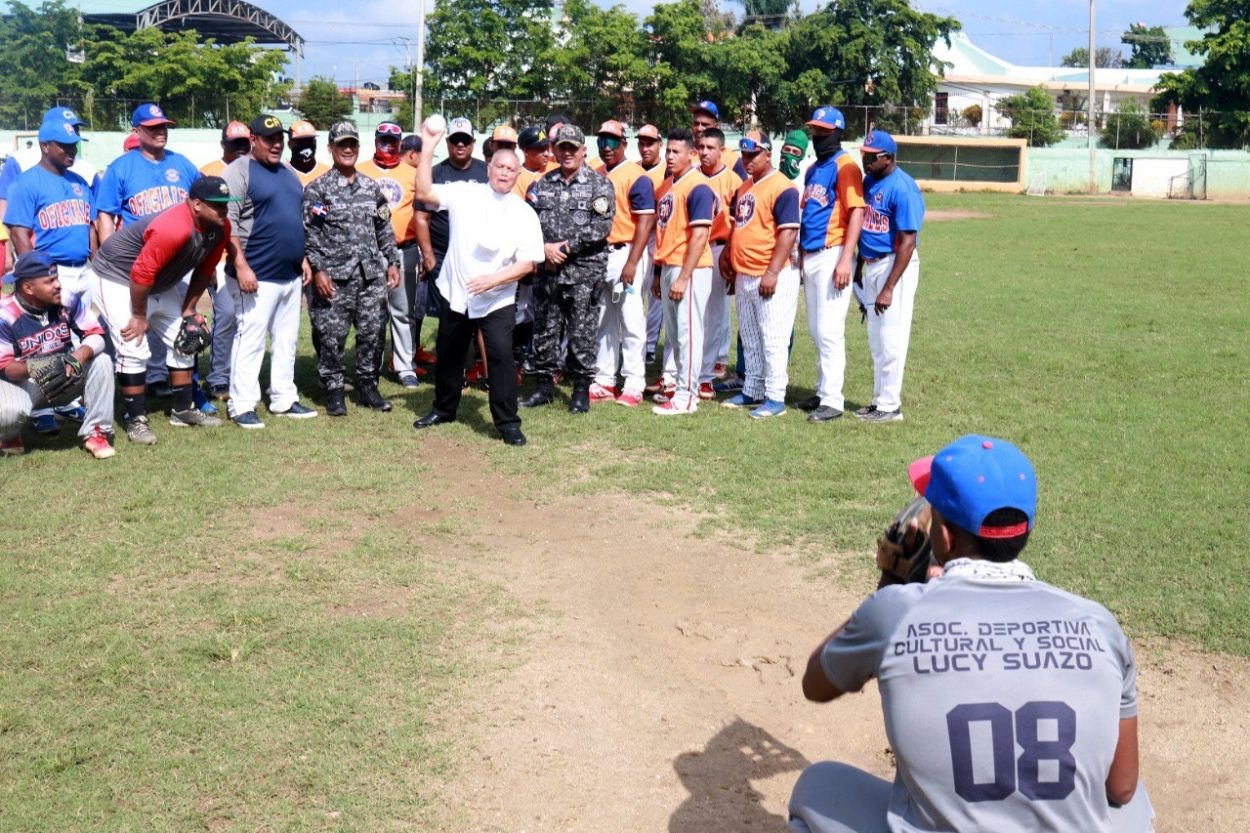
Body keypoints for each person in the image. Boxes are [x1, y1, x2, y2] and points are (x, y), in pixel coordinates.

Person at [789, 434, 1156, 833]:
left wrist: (890, 583)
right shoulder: (1098, 624)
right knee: (1135, 807)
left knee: (818, 785)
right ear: (1024, 529)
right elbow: (1120, 788)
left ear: (943, 538)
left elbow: (816, 684)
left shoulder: (897, 611)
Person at [410, 120, 543, 447]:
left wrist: (492, 281)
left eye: (511, 169)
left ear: (517, 175)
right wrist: (428, 145)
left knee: (500, 358)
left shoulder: (524, 213)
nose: (504, 173)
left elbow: (529, 262)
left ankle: (508, 422)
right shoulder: (465, 194)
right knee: (450, 354)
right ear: (489, 168)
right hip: (457, 292)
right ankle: (444, 408)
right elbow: (425, 192)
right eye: (499, 166)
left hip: (496, 299)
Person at [88, 177, 238, 443]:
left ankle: (182, 410)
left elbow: (204, 271)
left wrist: (189, 308)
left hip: (156, 280)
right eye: (217, 205)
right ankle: (135, 419)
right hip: (116, 276)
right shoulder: (174, 227)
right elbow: (140, 272)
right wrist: (139, 316)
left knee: (186, 337)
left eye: (226, 204)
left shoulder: (220, 228)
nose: (223, 210)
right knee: (133, 344)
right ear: (196, 204)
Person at [94, 103, 206, 404]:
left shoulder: (182, 164)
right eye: (153, 127)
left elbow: (204, 204)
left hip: (174, 264)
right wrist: (109, 251)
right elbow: (106, 214)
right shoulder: (122, 167)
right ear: (136, 131)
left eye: (163, 126)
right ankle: (137, 404)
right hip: (134, 263)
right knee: (135, 335)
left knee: (183, 332)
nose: (160, 132)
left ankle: (185, 397)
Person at [2, 108, 97, 435]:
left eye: (73, 144)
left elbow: (91, 227)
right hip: (50, 275)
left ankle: (70, 401)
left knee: (78, 336)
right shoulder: (27, 183)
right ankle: (42, 408)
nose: (70, 150)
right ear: (45, 145)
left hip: (84, 269)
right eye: (63, 145)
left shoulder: (79, 182)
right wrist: (34, 279)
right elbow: (18, 233)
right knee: (43, 342)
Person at [221, 113, 318, 428]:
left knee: (287, 339)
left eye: (279, 140)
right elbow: (228, 224)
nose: (276, 145)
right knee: (251, 339)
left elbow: (293, 220)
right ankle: (241, 404)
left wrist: (302, 258)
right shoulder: (238, 171)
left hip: (289, 273)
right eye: (268, 139)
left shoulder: (289, 173)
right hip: (256, 274)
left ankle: (283, 398)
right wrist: (241, 265)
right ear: (253, 140)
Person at [303, 121, 402, 417]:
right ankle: (334, 390)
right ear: (331, 148)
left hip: (370, 276)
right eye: (341, 145)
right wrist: (318, 270)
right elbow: (311, 234)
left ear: (359, 148)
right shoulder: (317, 190)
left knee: (372, 333)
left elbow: (384, 226)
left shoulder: (373, 188)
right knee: (332, 336)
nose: (347, 150)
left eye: (352, 145)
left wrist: (392, 261)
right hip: (334, 277)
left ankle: (368, 386)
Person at [520, 124, 615, 414]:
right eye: (562, 147)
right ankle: (544, 388)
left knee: (581, 333)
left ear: (583, 151)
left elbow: (601, 226)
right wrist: (544, 249)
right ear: (555, 150)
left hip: (584, 273)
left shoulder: (599, 186)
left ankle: (580, 390)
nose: (567, 153)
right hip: (548, 271)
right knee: (545, 331)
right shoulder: (541, 185)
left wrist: (566, 247)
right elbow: (527, 223)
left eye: (573, 148)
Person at [718, 131, 801, 419]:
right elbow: (739, 228)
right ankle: (752, 389)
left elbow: (789, 231)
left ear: (768, 154)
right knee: (751, 337)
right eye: (744, 154)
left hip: (772, 274)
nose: (748, 159)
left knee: (773, 337)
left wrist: (772, 271)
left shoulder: (783, 187)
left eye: (753, 154)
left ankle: (776, 397)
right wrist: (731, 258)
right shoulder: (744, 188)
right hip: (745, 274)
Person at [0, 252, 115, 458]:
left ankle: (96, 432)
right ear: (28, 288)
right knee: (7, 410)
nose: (58, 285)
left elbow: (96, 334)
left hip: (66, 373)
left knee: (102, 360)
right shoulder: (5, 315)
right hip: (23, 385)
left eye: (57, 278)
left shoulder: (66, 299)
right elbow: (7, 369)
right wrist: (36, 366)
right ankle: (9, 435)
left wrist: (78, 355)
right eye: (50, 281)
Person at [797, 106, 865, 423]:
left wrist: (845, 260)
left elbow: (856, 212)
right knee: (815, 328)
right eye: (815, 130)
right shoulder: (813, 169)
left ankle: (834, 400)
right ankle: (824, 391)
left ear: (837, 132)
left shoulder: (846, 165)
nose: (817, 136)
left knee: (829, 330)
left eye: (823, 131)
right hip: (811, 254)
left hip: (833, 252)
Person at [854, 130, 923, 424]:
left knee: (892, 338)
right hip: (872, 264)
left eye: (871, 157)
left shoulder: (903, 187)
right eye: (864, 155)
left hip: (896, 266)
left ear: (888, 157)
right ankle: (879, 400)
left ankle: (891, 406)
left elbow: (908, 241)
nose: (866, 161)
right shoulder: (869, 182)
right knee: (876, 339)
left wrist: (889, 287)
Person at [650, 128, 716, 416]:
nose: (670, 156)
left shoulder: (698, 186)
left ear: (692, 154)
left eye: (676, 152)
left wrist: (683, 276)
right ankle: (679, 389)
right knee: (677, 335)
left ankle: (688, 397)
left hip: (689, 268)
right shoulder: (669, 185)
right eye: (668, 151)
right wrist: (658, 274)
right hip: (669, 264)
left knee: (688, 333)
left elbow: (700, 235)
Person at [590, 120, 655, 407]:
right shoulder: (596, 173)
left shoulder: (636, 176)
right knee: (606, 317)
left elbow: (645, 223)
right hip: (602, 258)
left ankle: (634, 382)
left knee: (630, 318)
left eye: (612, 141)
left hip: (624, 257)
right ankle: (604, 379)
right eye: (602, 141)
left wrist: (632, 262)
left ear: (624, 143)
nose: (606, 147)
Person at [357, 127, 423, 387]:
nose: (388, 146)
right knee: (370, 312)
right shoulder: (361, 170)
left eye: (393, 142)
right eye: (384, 141)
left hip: (404, 250)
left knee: (403, 311)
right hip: (368, 251)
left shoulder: (413, 174)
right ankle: (370, 365)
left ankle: (405, 366)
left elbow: (422, 214)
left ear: (400, 144)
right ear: (376, 142)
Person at [414, 117, 487, 328]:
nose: (461, 145)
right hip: (442, 255)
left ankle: (477, 359)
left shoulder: (487, 172)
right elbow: (421, 216)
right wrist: (428, 255)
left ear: (473, 142)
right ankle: (448, 358)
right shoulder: (435, 173)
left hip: (477, 255)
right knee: (448, 314)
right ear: (447, 142)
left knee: (479, 312)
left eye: (465, 140)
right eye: (456, 140)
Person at [199, 120, 252, 400]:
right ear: (223, 145)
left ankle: (241, 376)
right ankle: (219, 376)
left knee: (248, 320)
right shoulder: (209, 172)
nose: (241, 150)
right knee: (227, 314)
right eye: (235, 145)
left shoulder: (255, 169)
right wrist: (205, 261)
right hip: (217, 256)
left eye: (245, 144)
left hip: (249, 255)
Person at [694, 126, 744, 398]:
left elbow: (739, 224)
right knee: (691, 312)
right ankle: (690, 368)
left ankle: (707, 373)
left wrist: (732, 257)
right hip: (691, 248)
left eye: (710, 147)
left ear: (722, 151)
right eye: (701, 147)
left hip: (718, 249)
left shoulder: (734, 180)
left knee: (713, 313)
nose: (704, 152)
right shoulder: (690, 176)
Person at [636, 123, 666, 365]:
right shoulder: (633, 170)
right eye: (642, 143)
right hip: (635, 239)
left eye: (650, 143)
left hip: (658, 238)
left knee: (656, 297)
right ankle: (634, 343)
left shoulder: (668, 171)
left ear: (660, 144)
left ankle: (649, 346)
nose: (645, 148)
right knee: (633, 295)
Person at [690, 100, 746, 178]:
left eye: (705, 124)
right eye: (696, 123)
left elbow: (744, 188)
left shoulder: (732, 159)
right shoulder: (683, 156)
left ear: (716, 127)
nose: (699, 128)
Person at [288, 120, 330, 185]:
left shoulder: (327, 173)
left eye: (310, 141)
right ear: (289, 144)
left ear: (315, 142)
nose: (306, 144)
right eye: (300, 141)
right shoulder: (282, 173)